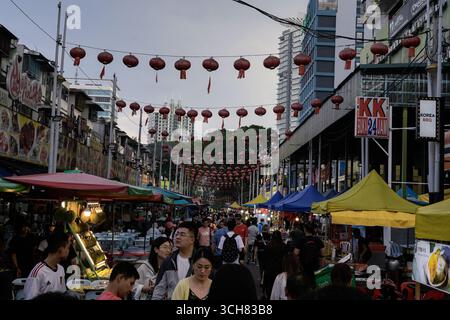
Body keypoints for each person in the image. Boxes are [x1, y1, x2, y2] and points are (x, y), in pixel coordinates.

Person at [152, 222, 196, 300]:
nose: (178, 237)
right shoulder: (168, 261)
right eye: (176, 234)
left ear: (192, 239)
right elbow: (159, 289)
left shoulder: (199, 261)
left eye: (182, 234)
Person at [23, 232, 70, 300]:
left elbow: (62, 293)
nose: (69, 251)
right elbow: (30, 298)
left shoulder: (61, 269)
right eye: (68, 248)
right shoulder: (38, 272)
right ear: (60, 250)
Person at [262, 230, 287, 299]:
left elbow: (264, 258)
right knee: (279, 287)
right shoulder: (284, 246)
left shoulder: (268, 246)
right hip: (280, 269)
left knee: (269, 286)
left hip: (269, 269)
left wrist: (264, 268)